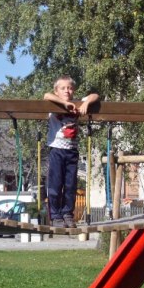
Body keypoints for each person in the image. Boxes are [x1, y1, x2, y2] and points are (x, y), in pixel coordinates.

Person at [44, 76, 99, 228]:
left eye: (69, 88)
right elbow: (46, 95)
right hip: (57, 150)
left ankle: (67, 214)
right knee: (55, 185)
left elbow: (95, 95)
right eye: (63, 88)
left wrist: (86, 103)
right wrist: (65, 104)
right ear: (57, 91)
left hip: (72, 151)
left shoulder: (78, 103)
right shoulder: (53, 104)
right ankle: (55, 216)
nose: (67, 91)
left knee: (70, 185)